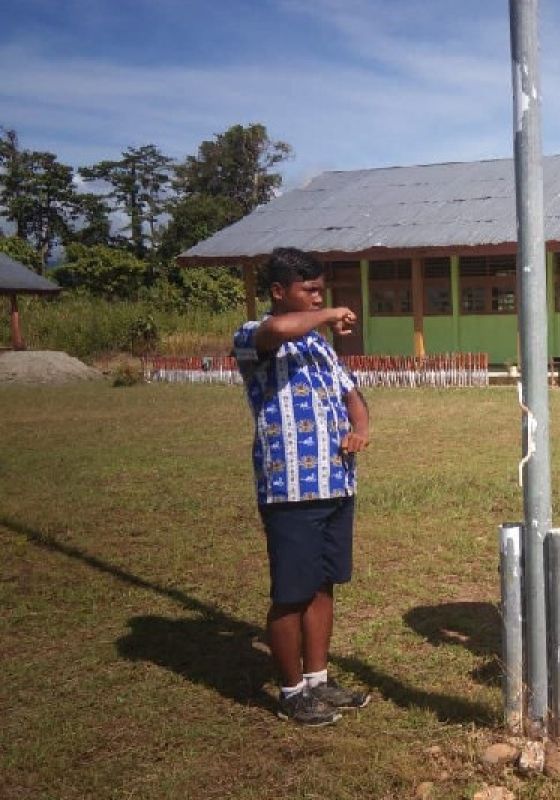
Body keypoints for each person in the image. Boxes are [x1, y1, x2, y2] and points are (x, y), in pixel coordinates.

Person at [233, 247, 372, 726]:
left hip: (336, 481)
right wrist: (327, 314)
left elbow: (352, 393)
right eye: (308, 290)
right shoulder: (253, 334)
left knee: (323, 584)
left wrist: (360, 428)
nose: (318, 298)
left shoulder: (318, 345)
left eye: (321, 290)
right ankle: (290, 690)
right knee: (291, 591)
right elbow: (276, 331)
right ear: (278, 291)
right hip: (289, 485)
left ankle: (318, 679)